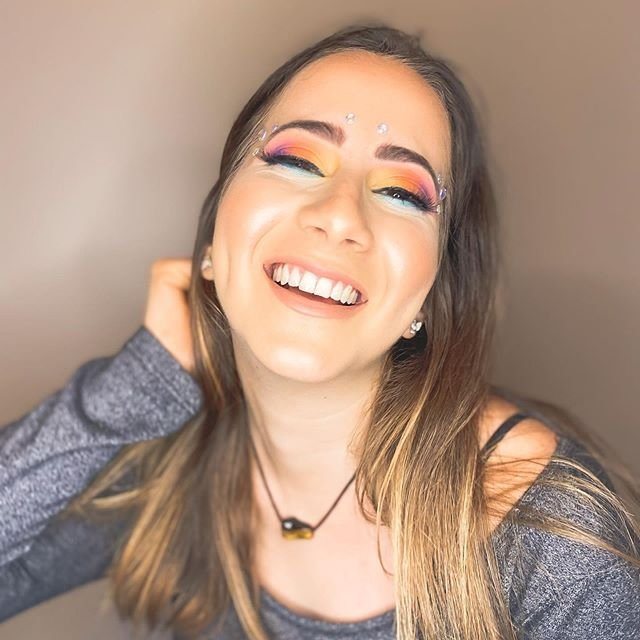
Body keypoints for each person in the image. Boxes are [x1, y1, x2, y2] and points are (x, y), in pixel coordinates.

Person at [1, 23, 639, 640]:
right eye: (298, 160)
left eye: (402, 193)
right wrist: (129, 392)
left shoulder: (551, 534)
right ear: (214, 238)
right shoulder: (161, 465)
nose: (339, 216)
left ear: (430, 293)